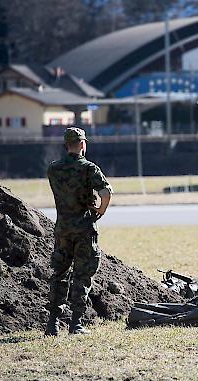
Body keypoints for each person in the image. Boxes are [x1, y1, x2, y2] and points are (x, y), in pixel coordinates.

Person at [45, 127, 113, 336]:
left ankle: (53, 324)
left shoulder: (53, 169)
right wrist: (100, 211)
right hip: (84, 228)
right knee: (82, 276)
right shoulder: (89, 168)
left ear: (66, 145)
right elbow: (106, 192)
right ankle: (76, 324)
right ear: (83, 144)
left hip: (62, 229)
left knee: (59, 274)